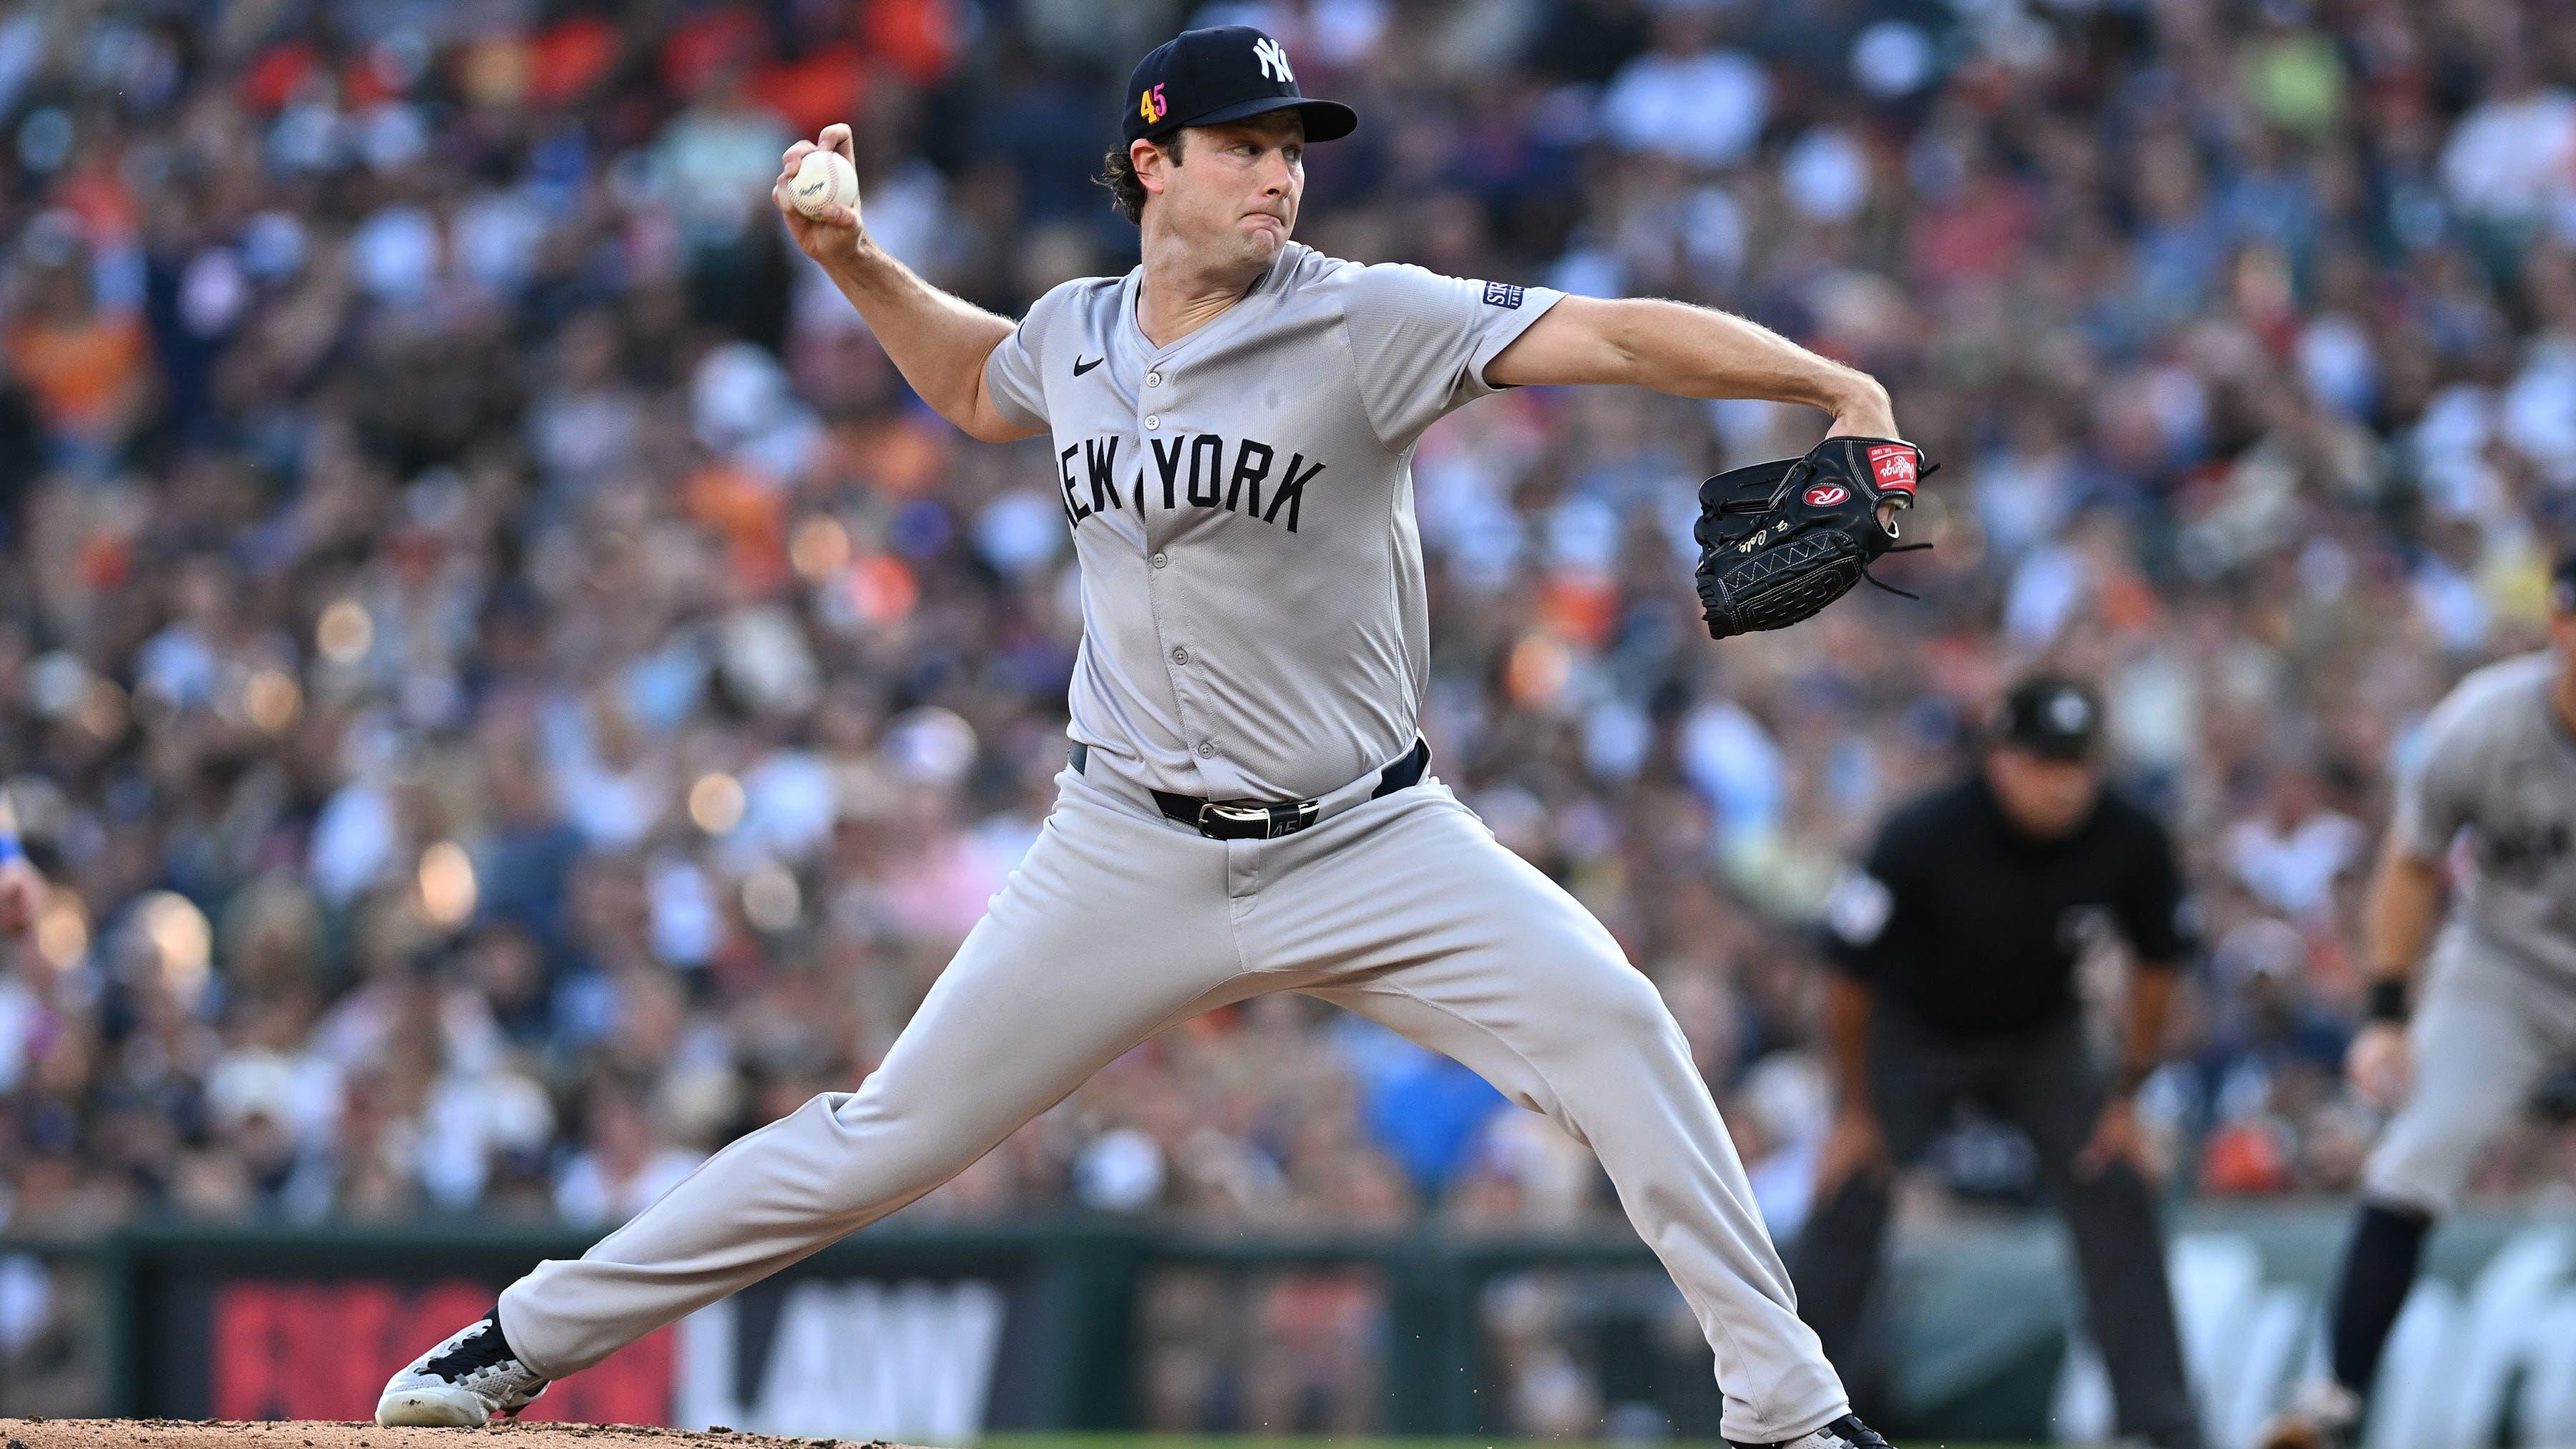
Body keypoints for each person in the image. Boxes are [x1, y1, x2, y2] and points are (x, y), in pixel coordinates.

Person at [376, 27, 1906, 1448]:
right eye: (1246, 145)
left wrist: (1824, 381)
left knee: (1617, 1024)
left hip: (1370, 837)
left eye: (1295, 147)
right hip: (1124, 847)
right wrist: (849, 257)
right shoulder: (1079, 332)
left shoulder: (1366, 315)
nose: (1283, 173)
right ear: (1152, 163)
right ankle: (510, 1344)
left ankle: (1788, 1410)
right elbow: (981, 380)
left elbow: (1620, 341)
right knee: (880, 1135)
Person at [1792, 675, 2202, 1449]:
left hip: (2040, 1036)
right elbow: (1846, 974)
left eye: (2078, 764)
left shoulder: (2128, 836)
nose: (2063, 785)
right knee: (1850, 1193)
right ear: (2000, 760)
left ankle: (2159, 1426)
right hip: (1914, 1032)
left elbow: (2159, 963)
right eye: (2045, 763)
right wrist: (1852, 1113)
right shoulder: (1925, 831)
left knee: (2116, 1184)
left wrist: (2127, 1097)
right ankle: (1800, 1421)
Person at [2260, 553, 2576, 1449]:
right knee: (2414, 1157)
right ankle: (2329, 1403)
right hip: (2507, 969)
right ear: (2560, 626)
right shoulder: (2487, 719)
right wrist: (2388, 1015)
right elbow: (2410, 864)